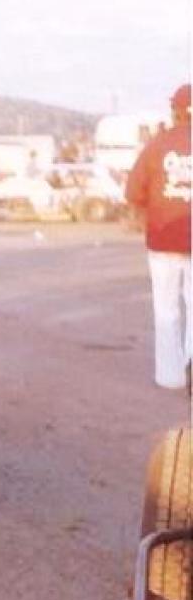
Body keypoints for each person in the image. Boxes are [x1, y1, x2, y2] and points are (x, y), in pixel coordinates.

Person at [126, 83, 191, 390]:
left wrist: (146, 217)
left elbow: (133, 191)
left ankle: (170, 376)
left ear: (175, 111)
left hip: (163, 240)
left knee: (166, 308)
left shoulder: (157, 145)